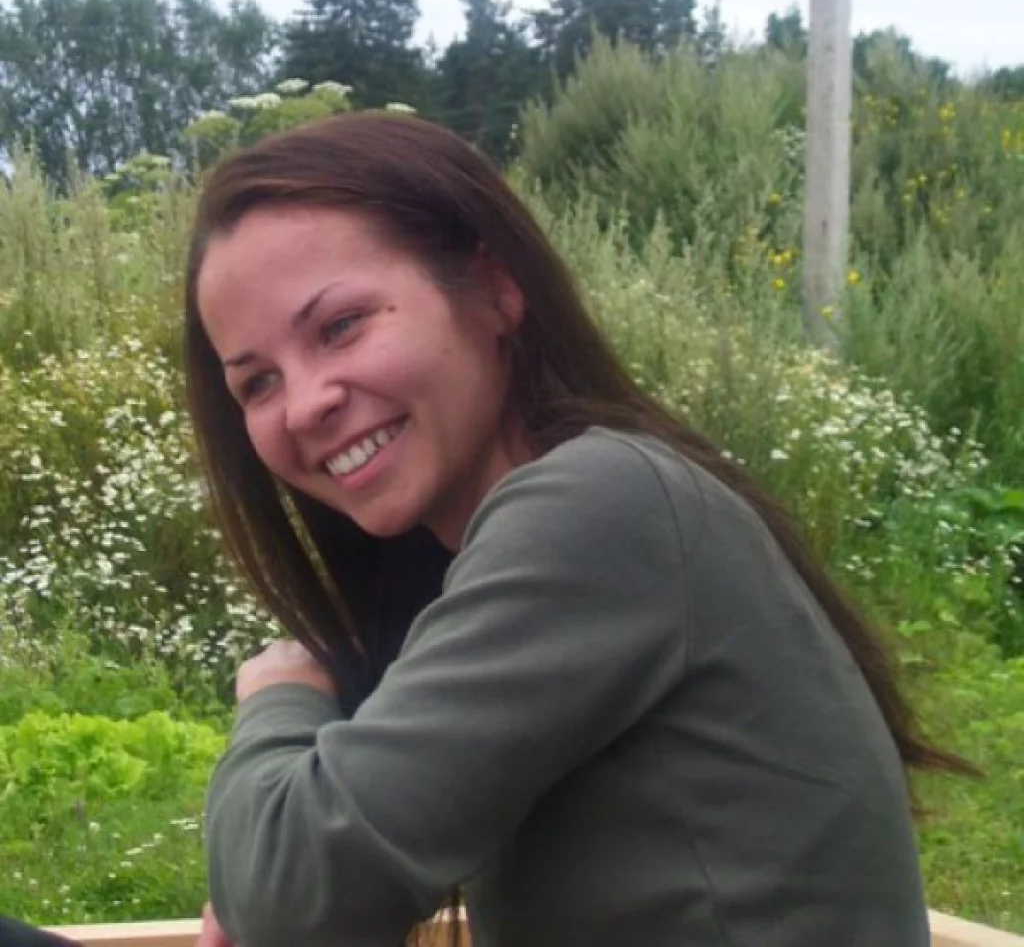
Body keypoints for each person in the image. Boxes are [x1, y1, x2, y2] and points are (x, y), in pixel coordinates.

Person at [185, 112, 968, 947]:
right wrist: (274, 880)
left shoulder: (598, 505)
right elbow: (304, 895)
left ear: (494, 288)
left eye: (340, 326)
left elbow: (294, 893)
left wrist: (279, 696)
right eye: (258, 382)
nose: (304, 404)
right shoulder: (559, 525)